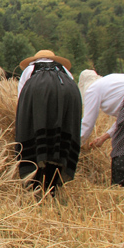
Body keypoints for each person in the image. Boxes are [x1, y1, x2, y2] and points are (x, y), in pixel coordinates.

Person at [15, 50, 81, 192]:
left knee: (36, 137)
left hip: (38, 91)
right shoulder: (65, 72)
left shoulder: (30, 69)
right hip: (69, 92)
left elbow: (21, 98)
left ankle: (35, 183)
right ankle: (52, 184)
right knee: (59, 139)